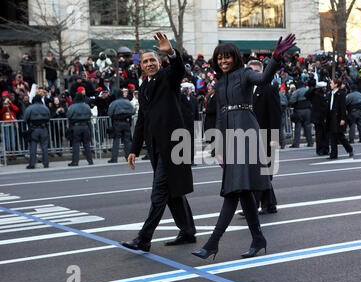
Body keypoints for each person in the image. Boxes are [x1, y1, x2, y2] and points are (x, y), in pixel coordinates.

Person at [192, 34, 296, 260]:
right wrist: (218, 147)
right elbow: (220, 116)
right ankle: (258, 239)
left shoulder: (246, 73)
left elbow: (265, 79)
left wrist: (275, 58)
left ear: (235, 58)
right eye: (219, 58)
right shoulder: (220, 83)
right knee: (243, 190)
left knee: (233, 190)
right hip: (229, 136)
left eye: (227, 57)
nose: (223, 61)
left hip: (247, 131)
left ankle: (212, 243)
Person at [121, 32, 196, 252]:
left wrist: (172, 52)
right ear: (141, 67)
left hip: (173, 144)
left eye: (152, 59)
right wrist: (134, 149)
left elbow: (179, 70)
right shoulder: (143, 87)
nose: (149, 64)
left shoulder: (167, 77)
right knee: (173, 191)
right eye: (145, 62)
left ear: (159, 62)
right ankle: (188, 231)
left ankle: (144, 238)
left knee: (159, 192)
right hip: (156, 147)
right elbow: (142, 120)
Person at [248, 59, 281, 215]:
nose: (251, 73)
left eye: (255, 71)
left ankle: (253, 205)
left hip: (265, 135)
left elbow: (275, 114)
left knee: (263, 171)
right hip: (249, 136)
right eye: (249, 70)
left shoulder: (269, 89)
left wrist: (274, 137)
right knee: (260, 171)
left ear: (262, 72)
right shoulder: (245, 89)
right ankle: (269, 204)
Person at [327, 78, 353, 160]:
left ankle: (349, 149)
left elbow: (343, 107)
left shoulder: (341, 94)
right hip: (331, 116)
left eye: (331, 83)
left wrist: (343, 118)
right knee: (332, 135)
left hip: (338, 117)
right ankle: (333, 154)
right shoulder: (330, 93)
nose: (330, 84)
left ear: (336, 84)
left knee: (340, 135)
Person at [23, 96, 51, 169]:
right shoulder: (45, 108)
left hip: (34, 129)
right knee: (44, 147)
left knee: (33, 147)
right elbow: (49, 117)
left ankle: (32, 164)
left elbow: (25, 118)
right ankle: (46, 163)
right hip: (43, 128)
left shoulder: (30, 108)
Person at [67, 93, 94, 166]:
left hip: (76, 126)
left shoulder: (73, 106)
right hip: (86, 126)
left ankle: (75, 161)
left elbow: (68, 115)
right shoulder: (87, 106)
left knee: (76, 144)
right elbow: (90, 114)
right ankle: (90, 160)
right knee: (87, 144)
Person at [107, 92, 134, 163]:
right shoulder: (128, 103)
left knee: (116, 140)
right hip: (126, 122)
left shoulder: (114, 103)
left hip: (117, 123)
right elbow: (132, 110)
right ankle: (129, 157)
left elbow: (110, 113)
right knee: (127, 141)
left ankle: (114, 158)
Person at [305, 80, 329, 156]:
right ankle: (320, 149)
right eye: (323, 87)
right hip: (318, 118)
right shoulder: (315, 94)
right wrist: (313, 88)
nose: (325, 88)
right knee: (319, 135)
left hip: (325, 117)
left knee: (326, 134)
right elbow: (306, 95)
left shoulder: (326, 94)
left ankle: (326, 149)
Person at [288, 81, 313, 147]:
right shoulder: (307, 90)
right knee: (308, 127)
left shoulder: (297, 92)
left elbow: (291, 101)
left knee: (298, 128)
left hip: (299, 110)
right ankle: (310, 142)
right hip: (308, 110)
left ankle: (296, 144)